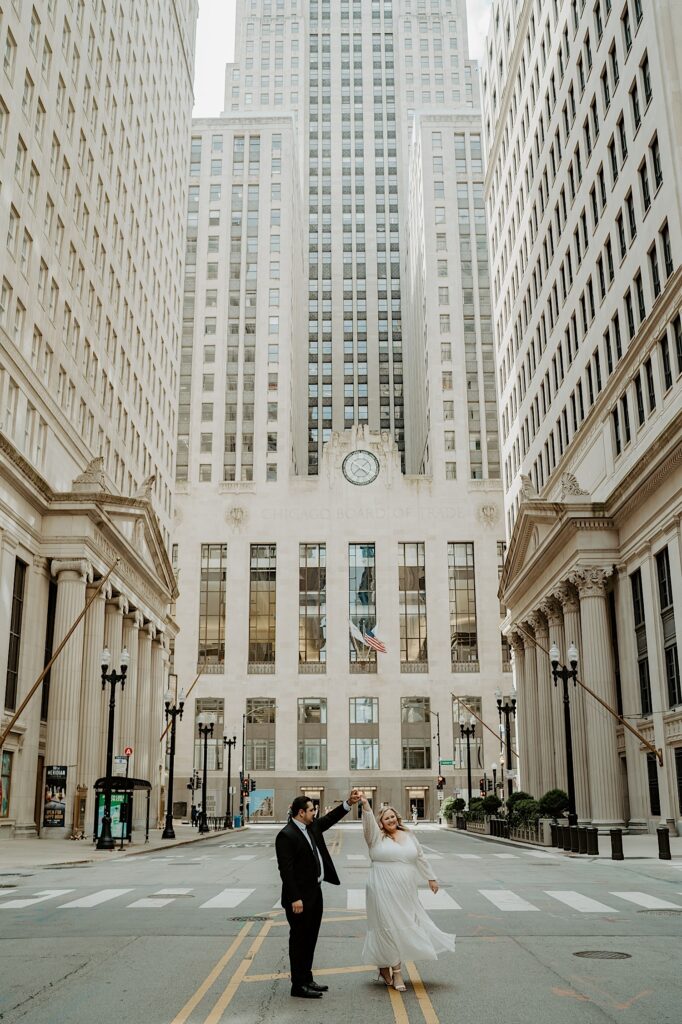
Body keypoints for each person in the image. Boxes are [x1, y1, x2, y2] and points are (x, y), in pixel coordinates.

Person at [359, 795, 455, 992]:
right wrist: (366, 806)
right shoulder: (375, 836)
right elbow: (368, 824)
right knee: (388, 926)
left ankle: (384, 964)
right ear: (381, 823)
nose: (391, 820)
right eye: (387, 819)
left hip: (405, 890)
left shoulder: (409, 834)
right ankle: (397, 973)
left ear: (397, 818)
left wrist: (431, 878)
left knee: (402, 925)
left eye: (393, 817)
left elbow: (420, 856)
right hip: (381, 887)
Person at [276, 789, 361, 999]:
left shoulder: (311, 827)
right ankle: (298, 985)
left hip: (315, 892)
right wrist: (295, 897)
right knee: (299, 940)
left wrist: (348, 803)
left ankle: (307, 978)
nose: (315, 813)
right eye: (311, 810)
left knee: (311, 938)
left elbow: (330, 818)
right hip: (299, 898)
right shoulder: (286, 835)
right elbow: (285, 871)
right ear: (300, 813)